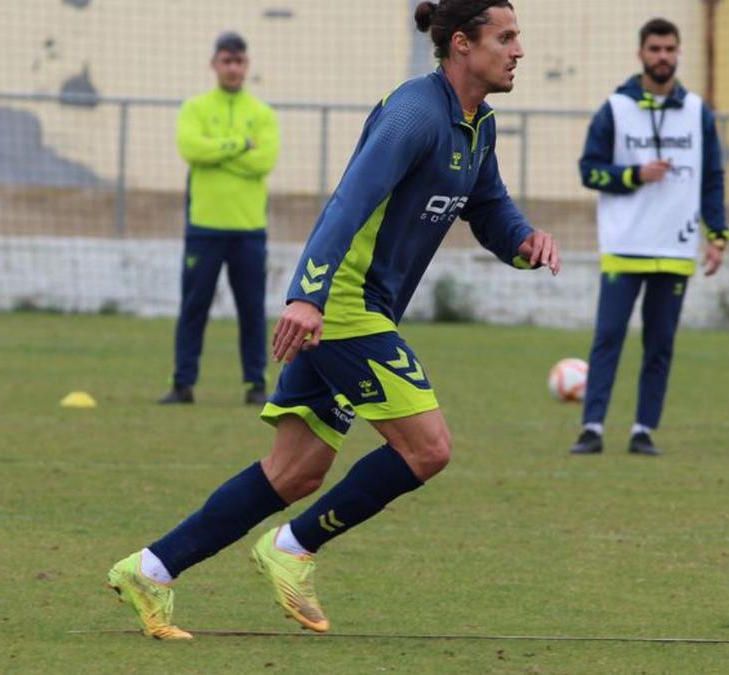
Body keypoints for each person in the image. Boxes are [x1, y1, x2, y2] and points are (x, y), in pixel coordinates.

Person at [107, 0, 560, 639]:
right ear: (462, 43)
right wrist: (307, 295)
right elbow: (347, 202)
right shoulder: (412, 113)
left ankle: (149, 570)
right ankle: (291, 548)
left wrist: (525, 241)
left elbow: (488, 208)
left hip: (355, 310)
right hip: (343, 306)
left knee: (296, 471)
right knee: (429, 449)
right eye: (506, 37)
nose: (519, 51)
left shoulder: (476, 125)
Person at [569, 18, 729, 457]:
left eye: (670, 49)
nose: (663, 57)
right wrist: (632, 175)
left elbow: (712, 178)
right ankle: (592, 427)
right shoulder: (616, 109)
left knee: (660, 344)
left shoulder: (698, 112)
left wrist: (717, 235)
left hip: (675, 250)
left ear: (678, 53)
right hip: (624, 246)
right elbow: (589, 170)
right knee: (608, 338)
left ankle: (643, 430)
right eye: (655, 49)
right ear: (641, 53)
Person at [158, 31, 280, 406]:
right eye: (226, 60)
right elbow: (191, 149)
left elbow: (265, 161)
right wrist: (240, 145)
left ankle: (256, 385)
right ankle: (183, 384)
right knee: (194, 308)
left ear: (247, 65)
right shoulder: (194, 108)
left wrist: (217, 153)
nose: (233, 67)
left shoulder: (261, 113)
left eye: (239, 61)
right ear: (214, 64)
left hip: (248, 230)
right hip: (204, 228)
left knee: (252, 311)